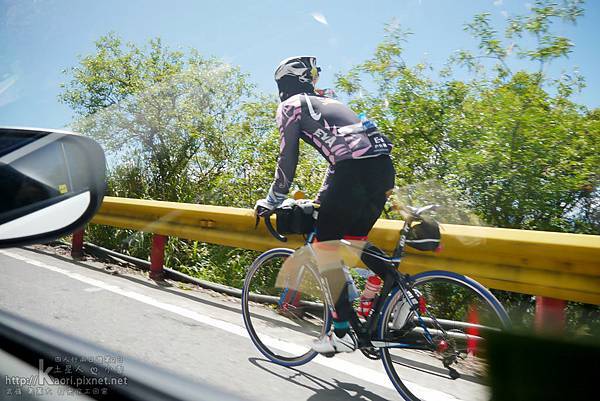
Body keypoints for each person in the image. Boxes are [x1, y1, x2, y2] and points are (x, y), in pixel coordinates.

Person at [255, 56, 395, 354]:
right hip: (383, 170)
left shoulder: (291, 106)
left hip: (354, 172)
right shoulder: (329, 104)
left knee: (325, 247)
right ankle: (398, 286)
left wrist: (273, 199)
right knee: (355, 243)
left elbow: (287, 157)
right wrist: (322, 198)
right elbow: (341, 155)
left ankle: (341, 332)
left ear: (283, 84)